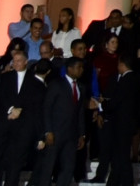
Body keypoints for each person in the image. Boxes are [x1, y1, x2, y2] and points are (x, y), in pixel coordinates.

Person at [0, 47, 44, 186]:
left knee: (15, 163)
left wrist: (21, 110)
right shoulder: (5, 78)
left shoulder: (36, 83)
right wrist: (11, 109)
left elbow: (37, 106)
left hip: (23, 129)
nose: (16, 63)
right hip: (4, 126)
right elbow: (0, 97)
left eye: (19, 60)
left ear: (26, 62)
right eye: (14, 60)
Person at [39, 56, 89, 186]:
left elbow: (80, 113)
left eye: (82, 67)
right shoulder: (56, 84)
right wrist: (48, 131)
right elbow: (47, 108)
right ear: (69, 69)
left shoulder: (81, 87)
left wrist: (82, 134)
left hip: (71, 135)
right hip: (55, 133)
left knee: (68, 167)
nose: (81, 70)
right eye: (79, 67)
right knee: (48, 166)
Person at [103, 54, 140, 186]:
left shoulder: (126, 80)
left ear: (122, 64)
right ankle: (114, 181)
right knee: (119, 156)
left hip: (122, 124)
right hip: (129, 123)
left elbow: (116, 101)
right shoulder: (138, 79)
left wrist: (102, 105)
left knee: (122, 156)